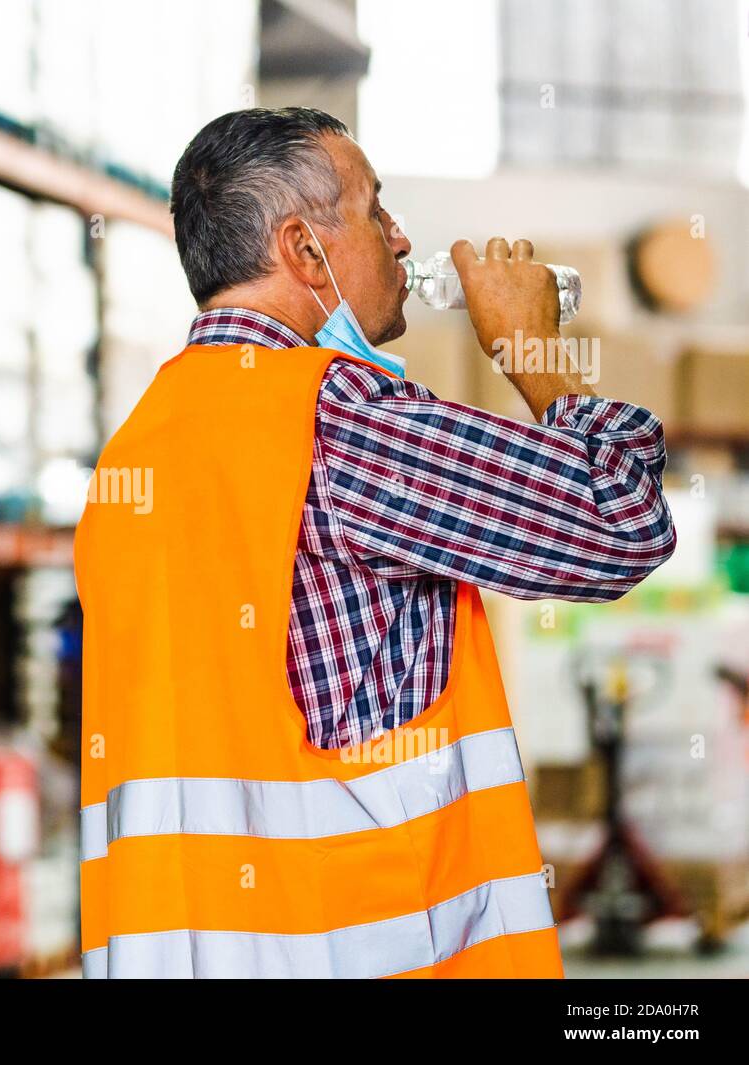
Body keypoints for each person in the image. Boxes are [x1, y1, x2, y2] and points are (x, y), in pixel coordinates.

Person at [74, 107, 676, 979]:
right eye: (374, 210)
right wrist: (534, 350)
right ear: (304, 251)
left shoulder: (137, 450)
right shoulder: (340, 425)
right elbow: (619, 522)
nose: (400, 241)